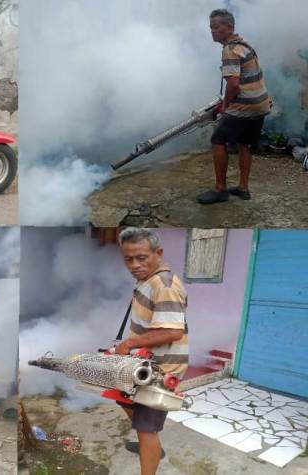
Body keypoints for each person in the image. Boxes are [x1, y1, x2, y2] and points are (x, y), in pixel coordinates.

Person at [115, 228, 189, 475]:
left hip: (161, 368)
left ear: (158, 253)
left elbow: (172, 332)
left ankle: (149, 445)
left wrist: (127, 345)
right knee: (120, 396)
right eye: (128, 259)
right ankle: (150, 442)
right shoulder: (147, 280)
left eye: (142, 257)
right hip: (143, 363)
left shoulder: (164, 284)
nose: (134, 265)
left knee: (147, 428)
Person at [196, 9, 271, 205]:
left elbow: (234, 85)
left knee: (218, 139)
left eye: (216, 27)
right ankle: (243, 188)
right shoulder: (245, 45)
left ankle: (220, 189)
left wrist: (225, 105)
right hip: (260, 104)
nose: (212, 31)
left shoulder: (230, 49)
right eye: (211, 27)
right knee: (244, 143)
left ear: (229, 27)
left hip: (245, 106)